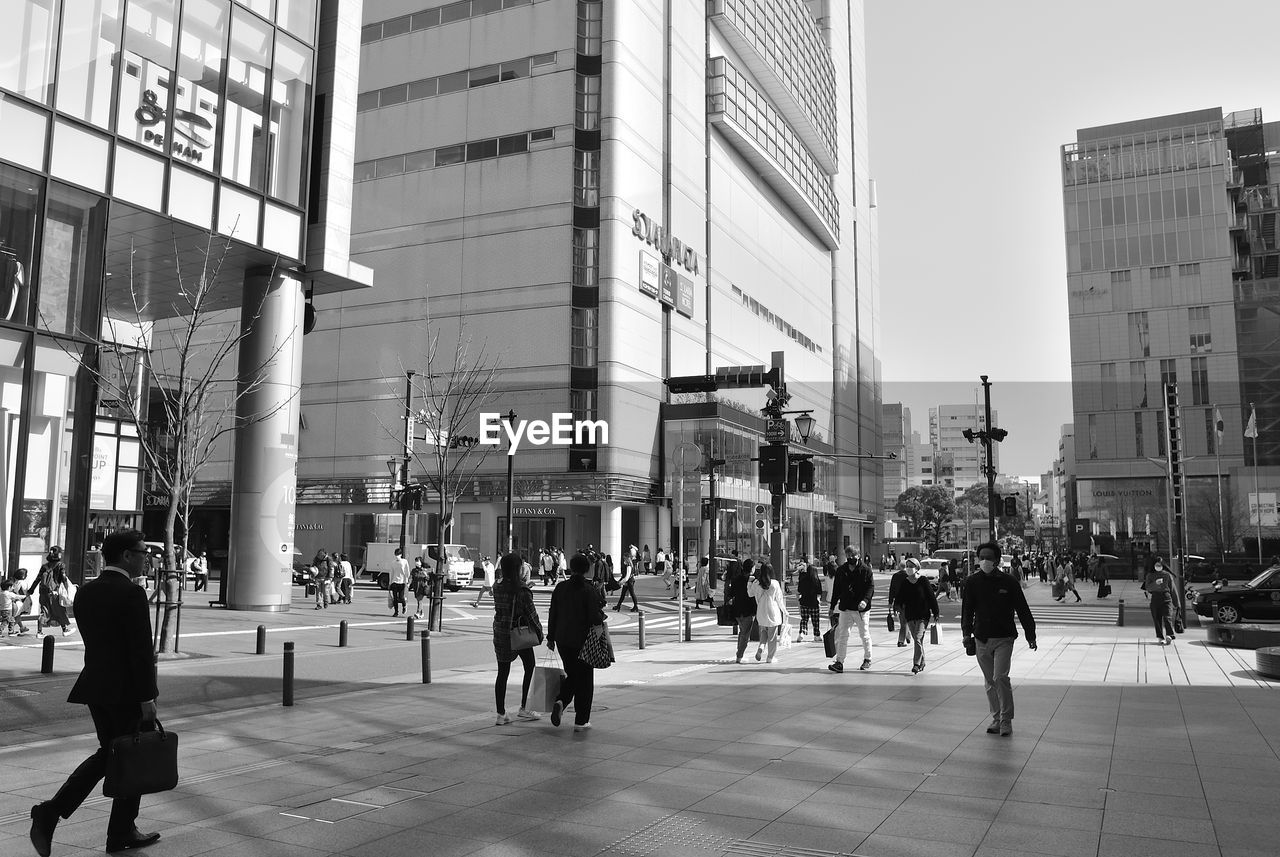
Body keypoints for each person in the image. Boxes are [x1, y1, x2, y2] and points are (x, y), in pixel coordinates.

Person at [29, 529, 161, 856]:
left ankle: (120, 831)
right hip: (127, 691)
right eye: (143, 552)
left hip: (95, 687)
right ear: (127, 555)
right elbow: (140, 652)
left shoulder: (87, 592)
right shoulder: (131, 594)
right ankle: (54, 811)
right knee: (123, 755)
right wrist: (147, 697)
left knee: (117, 754)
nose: (147, 557)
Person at [961, 542, 1037, 737]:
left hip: (1004, 637)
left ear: (996, 559)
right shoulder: (972, 582)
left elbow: (1022, 609)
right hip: (981, 638)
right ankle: (996, 718)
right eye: (981, 557)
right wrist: (966, 634)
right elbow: (967, 611)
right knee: (989, 681)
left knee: (1000, 677)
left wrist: (1031, 634)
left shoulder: (1009, 582)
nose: (984, 560)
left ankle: (1006, 720)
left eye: (988, 557)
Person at [546, 553, 606, 732]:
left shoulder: (561, 587)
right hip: (583, 641)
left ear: (571, 568)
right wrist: (601, 618)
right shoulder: (589, 590)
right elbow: (595, 617)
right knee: (585, 680)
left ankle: (561, 701)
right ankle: (581, 720)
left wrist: (550, 637)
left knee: (572, 674)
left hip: (563, 639)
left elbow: (553, 613)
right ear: (587, 568)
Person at [492, 553, 544, 724]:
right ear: (518, 568)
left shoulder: (497, 586)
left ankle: (501, 714)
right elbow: (532, 615)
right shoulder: (521, 590)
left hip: (501, 633)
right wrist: (540, 633)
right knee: (530, 666)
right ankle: (525, 707)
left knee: (502, 673)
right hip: (518, 634)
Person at [828, 548, 874, 673]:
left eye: (852, 555)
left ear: (858, 555)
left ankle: (867, 659)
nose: (850, 557)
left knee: (864, 634)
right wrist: (832, 607)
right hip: (846, 607)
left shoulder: (866, 570)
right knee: (843, 635)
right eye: (848, 555)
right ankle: (839, 662)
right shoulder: (841, 570)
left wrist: (865, 600)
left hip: (861, 609)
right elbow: (836, 589)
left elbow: (870, 587)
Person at [899, 560, 940, 675]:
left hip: (923, 615)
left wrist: (936, 612)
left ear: (917, 568)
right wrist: (897, 607)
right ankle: (922, 662)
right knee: (918, 640)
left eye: (911, 566)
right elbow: (900, 598)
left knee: (917, 638)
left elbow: (931, 597)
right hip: (910, 615)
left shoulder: (923, 581)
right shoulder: (905, 582)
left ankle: (916, 664)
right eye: (907, 566)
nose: (908, 568)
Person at [746, 562, 787, 663]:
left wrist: (749, 583)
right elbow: (779, 599)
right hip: (773, 611)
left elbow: (750, 594)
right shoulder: (775, 583)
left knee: (764, 632)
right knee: (772, 636)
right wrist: (784, 611)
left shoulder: (757, 583)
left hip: (761, 611)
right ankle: (770, 657)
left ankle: (761, 647)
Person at [726, 558, 758, 663]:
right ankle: (739, 656)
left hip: (737, 609)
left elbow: (731, 593)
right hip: (748, 610)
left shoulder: (736, 578)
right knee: (745, 634)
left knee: (742, 632)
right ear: (751, 568)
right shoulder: (752, 579)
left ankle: (739, 653)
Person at [1143, 557, 1178, 645]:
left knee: (1167, 617)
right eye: (1157, 565)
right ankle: (1160, 637)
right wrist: (1155, 584)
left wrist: (1177, 603)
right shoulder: (1150, 575)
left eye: (1160, 565)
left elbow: (1173, 589)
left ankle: (1169, 635)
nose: (1158, 566)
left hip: (1166, 597)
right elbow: (1148, 588)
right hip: (1155, 597)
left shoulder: (1167, 575)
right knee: (1157, 618)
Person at [795, 560, 822, 642]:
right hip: (814, 602)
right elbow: (819, 592)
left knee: (804, 619)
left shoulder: (803, 579)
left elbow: (799, 590)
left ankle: (801, 633)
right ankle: (816, 635)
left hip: (804, 601)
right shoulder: (817, 581)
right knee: (815, 620)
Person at [886, 560, 910, 647]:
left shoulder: (895, 576)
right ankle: (901, 640)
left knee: (903, 621)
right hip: (907, 602)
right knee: (905, 622)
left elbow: (892, 590)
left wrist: (890, 602)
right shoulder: (909, 575)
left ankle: (907, 636)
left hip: (897, 602)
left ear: (899, 567)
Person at [388, 548, 410, 617]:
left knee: (401, 597)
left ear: (401, 554)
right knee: (395, 598)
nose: (397, 556)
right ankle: (396, 612)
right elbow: (391, 573)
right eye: (396, 554)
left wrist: (407, 580)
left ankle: (404, 606)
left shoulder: (404, 561)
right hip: (395, 582)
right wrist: (390, 582)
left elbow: (407, 572)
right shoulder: (393, 563)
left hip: (402, 582)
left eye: (398, 554)